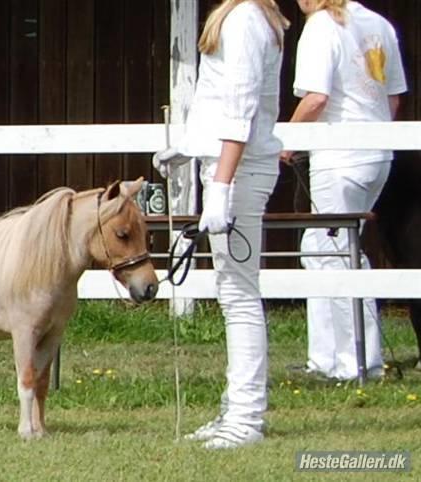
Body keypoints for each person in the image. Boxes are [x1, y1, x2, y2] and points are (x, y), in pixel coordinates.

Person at [153, 0, 289, 449]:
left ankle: (245, 418)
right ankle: (236, 407)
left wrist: (221, 185)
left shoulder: (246, 18)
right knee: (233, 291)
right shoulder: (247, 17)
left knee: (238, 294)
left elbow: (241, 108)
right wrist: (190, 146)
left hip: (240, 169)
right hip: (230, 164)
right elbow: (221, 101)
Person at [280, 0, 407, 381]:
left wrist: (287, 139)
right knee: (322, 248)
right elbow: (393, 98)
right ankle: (327, 358)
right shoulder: (379, 24)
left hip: (339, 155)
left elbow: (316, 98)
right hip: (376, 153)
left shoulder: (321, 26)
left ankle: (355, 362)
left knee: (335, 256)